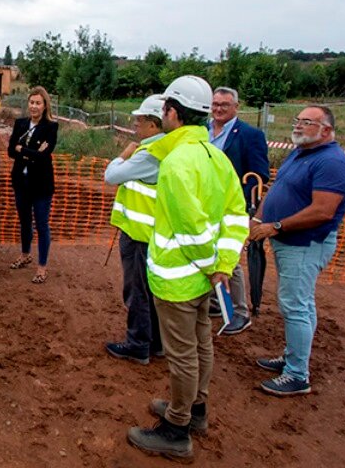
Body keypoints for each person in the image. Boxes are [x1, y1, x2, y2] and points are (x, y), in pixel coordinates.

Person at [127, 76, 248, 460]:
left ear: (173, 113)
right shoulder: (217, 156)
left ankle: (177, 429)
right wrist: (222, 266)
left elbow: (190, 227)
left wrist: (211, 265)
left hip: (178, 279)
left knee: (182, 354)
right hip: (204, 279)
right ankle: (196, 410)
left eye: (164, 108)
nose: (161, 114)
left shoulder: (177, 162)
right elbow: (236, 215)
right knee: (201, 344)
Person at [249, 105, 345, 397]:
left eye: (307, 122)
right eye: (298, 121)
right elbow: (278, 189)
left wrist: (276, 226)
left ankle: (297, 374)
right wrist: (259, 218)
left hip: (305, 244)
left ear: (326, 130)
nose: (298, 126)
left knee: (294, 304)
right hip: (289, 241)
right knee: (301, 303)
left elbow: (322, 211)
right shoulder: (300, 154)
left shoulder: (332, 163)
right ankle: (294, 355)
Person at [103, 94, 167, 365]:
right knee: (149, 291)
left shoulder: (149, 153)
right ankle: (155, 342)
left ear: (153, 124)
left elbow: (111, 176)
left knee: (138, 290)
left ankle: (138, 344)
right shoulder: (166, 149)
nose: (134, 125)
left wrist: (122, 155)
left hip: (140, 234)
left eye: (139, 120)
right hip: (149, 232)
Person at [207, 86, 270, 335]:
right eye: (215, 104)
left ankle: (241, 311)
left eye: (224, 104)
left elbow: (258, 175)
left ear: (236, 106)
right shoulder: (204, 130)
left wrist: (246, 206)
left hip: (231, 206)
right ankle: (215, 302)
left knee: (228, 256)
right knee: (209, 251)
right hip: (205, 205)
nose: (218, 109)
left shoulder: (250, 135)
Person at [7, 86, 58, 284]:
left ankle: (42, 266)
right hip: (21, 182)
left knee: (42, 224)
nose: (34, 106)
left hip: (41, 185)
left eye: (38, 103)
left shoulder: (51, 127)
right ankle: (25, 254)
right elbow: (11, 150)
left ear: (45, 106)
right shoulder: (20, 124)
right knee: (25, 221)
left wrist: (23, 149)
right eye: (31, 102)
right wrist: (32, 151)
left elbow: (44, 155)